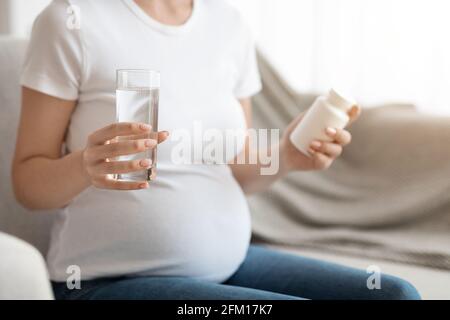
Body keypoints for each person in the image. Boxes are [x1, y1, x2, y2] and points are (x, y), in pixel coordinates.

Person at [12, 0, 420, 300]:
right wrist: (84, 165)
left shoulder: (228, 25)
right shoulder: (72, 20)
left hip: (228, 265)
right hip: (107, 280)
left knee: (395, 295)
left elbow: (237, 167)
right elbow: (28, 185)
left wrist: (288, 155)